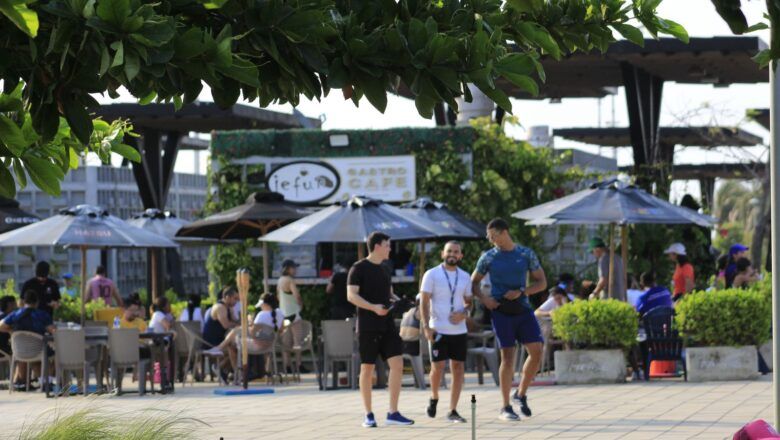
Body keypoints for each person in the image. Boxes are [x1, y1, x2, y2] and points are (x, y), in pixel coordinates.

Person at [471, 218, 547, 421]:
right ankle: (505, 407)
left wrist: (522, 291)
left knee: (537, 351)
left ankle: (520, 394)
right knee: (508, 357)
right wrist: (485, 299)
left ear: (504, 232)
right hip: (501, 311)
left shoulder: (525, 254)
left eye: (493, 236)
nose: (491, 240)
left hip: (523, 310)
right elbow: (474, 284)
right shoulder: (488, 257)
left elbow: (542, 282)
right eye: (489, 237)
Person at [347, 231, 414, 428]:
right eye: (387, 245)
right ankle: (368, 414)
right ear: (377, 246)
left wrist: (399, 301)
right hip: (368, 326)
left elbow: (389, 293)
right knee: (367, 368)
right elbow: (351, 296)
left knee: (398, 364)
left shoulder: (385, 268)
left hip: (387, 325)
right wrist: (374, 307)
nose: (390, 249)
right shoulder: (358, 268)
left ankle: (393, 412)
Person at [420, 241, 472, 424]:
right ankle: (434, 397)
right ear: (443, 253)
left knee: (458, 369)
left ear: (460, 255)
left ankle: (453, 410)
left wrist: (464, 313)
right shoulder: (432, 274)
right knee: (438, 368)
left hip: (459, 330)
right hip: (438, 328)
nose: (452, 254)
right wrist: (426, 326)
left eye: (456, 251)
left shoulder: (465, 276)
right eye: (449, 251)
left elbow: (469, 302)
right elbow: (424, 302)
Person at [0, 290, 56, 390]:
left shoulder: (15, 314)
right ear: (37, 302)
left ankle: (21, 382)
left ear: (23, 302)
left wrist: (12, 331)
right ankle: (45, 381)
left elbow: (1, 326)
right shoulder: (43, 315)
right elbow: (53, 331)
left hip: (20, 352)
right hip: (38, 351)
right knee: (54, 355)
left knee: (32, 357)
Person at [202, 286, 240, 380]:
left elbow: (235, 322)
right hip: (212, 343)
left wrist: (234, 317)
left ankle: (222, 369)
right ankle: (235, 374)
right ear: (227, 297)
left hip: (221, 340)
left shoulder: (227, 307)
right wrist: (238, 324)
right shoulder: (220, 307)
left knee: (238, 347)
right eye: (235, 298)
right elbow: (226, 325)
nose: (236, 302)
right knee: (235, 348)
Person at [278, 259, 304, 373]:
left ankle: (286, 366)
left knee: (286, 342)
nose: (295, 270)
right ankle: (299, 365)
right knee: (297, 340)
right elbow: (297, 296)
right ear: (288, 269)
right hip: (293, 313)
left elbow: (278, 297)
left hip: (283, 314)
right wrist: (301, 305)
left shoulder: (280, 281)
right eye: (294, 268)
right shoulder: (290, 280)